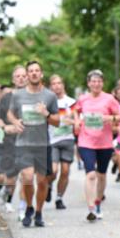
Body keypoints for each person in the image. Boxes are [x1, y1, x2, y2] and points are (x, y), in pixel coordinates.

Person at [7, 60, 60, 228]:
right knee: (27, 178)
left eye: (37, 71)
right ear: (28, 75)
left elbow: (57, 122)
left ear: (41, 74)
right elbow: (10, 113)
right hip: (23, 144)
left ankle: (38, 212)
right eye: (31, 71)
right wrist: (15, 122)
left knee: (42, 181)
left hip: (42, 144)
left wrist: (46, 114)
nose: (34, 73)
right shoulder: (18, 95)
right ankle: (29, 207)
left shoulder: (49, 96)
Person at [73, 69, 120, 222]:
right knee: (90, 174)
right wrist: (76, 121)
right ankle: (91, 208)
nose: (96, 84)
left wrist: (110, 118)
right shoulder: (83, 99)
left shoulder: (109, 99)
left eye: (99, 81)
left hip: (105, 142)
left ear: (102, 83)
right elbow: (75, 110)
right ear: (88, 83)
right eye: (93, 81)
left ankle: (98, 202)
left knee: (101, 175)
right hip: (86, 141)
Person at [0, 67, 29, 213]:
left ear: (27, 78)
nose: (21, 78)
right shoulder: (6, 98)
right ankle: (7, 198)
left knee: (26, 175)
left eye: (23, 76)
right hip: (10, 142)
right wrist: (5, 127)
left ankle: (23, 207)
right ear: (13, 80)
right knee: (11, 178)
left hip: (28, 141)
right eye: (17, 76)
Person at [47, 75, 76, 209]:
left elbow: (78, 120)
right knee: (53, 171)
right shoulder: (47, 102)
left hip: (68, 139)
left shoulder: (71, 102)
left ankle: (59, 198)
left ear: (63, 85)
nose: (57, 86)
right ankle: (48, 185)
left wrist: (73, 121)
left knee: (65, 171)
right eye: (54, 84)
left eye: (59, 83)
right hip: (52, 140)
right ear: (50, 86)